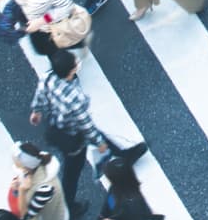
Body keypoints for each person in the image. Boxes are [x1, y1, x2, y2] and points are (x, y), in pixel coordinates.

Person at [31, 49, 140, 211]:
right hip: (73, 136)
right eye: (75, 64)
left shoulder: (48, 77)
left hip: (56, 125)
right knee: (72, 170)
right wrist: (99, 142)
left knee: (92, 138)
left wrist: (36, 110)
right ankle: (69, 204)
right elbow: (85, 124)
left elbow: (40, 94)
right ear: (71, 71)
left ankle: (123, 154)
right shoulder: (75, 97)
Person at [8, 142, 80, 220]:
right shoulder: (41, 167)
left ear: (26, 168)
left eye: (17, 164)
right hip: (57, 218)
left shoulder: (44, 189)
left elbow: (25, 215)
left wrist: (21, 191)